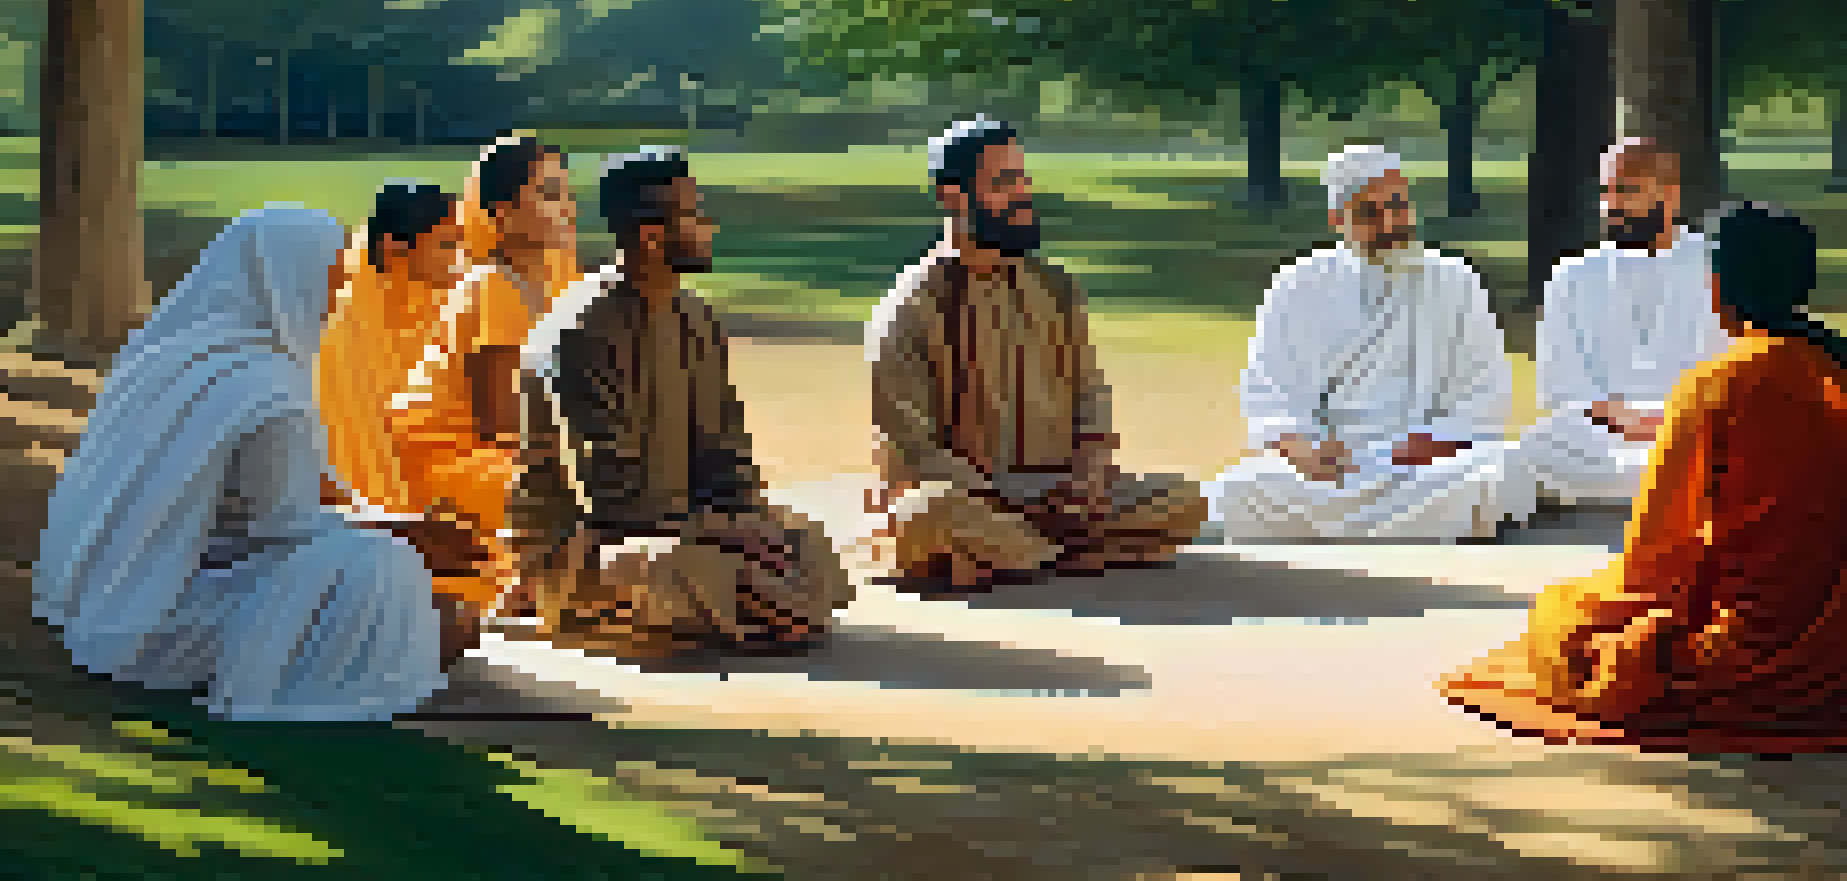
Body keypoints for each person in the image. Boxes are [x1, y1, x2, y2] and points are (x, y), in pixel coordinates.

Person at [1439, 203, 1847, 751]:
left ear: (1727, 284)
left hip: (1745, 653)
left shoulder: (1721, 383)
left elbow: (1657, 559)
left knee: (1562, 610)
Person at [34, 205, 478, 720]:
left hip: (89, 605)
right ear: (288, 279)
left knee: (401, 585)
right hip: (153, 631)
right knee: (388, 573)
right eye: (330, 281)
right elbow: (283, 528)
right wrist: (412, 538)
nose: (334, 302)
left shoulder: (160, 356)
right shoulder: (268, 391)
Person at [514, 149, 853, 655]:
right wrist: (721, 533)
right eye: (694, 215)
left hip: (687, 528)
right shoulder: (580, 331)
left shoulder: (695, 318)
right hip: (592, 543)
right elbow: (608, 496)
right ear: (650, 234)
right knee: (677, 565)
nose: (709, 225)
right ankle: (743, 606)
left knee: (806, 541)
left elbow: (726, 449)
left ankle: (754, 605)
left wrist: (748, 521)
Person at [866, 117, 1206, 589]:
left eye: (1023, 179)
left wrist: (1088, 474)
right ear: (953, 197)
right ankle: (1068, 551)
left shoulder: (1055, 288)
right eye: (1003, 183)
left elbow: (1091, 396)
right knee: (924, 514)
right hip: (974, 499)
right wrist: (1015, 502)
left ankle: (1025, 554)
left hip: (1059, 493)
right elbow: (913, 449)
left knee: (1188, 500)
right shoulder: (912, 307)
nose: (1022, 194)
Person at [1207, 144, 1527, 541]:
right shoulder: (1297, 283)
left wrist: (1437, 442)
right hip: (1333, 463)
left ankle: (1340, 527)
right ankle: (1405, 526)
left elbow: (1485, 393)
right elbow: (1269, 394)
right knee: (1242, 488)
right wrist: (1304, 449)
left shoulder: (1455, 279)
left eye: (1397, 207)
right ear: (1337, 220)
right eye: (1370, 213)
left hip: (1424, 462)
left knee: (1502, 470)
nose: (1391, 222)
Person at [386, 135, 582, 626]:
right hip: (452, 461)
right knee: (552, 492)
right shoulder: (493, 286)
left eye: (566, 192)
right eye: (548, 194)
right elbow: (497, 426)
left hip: (517, 450)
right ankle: (533, 583)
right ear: (501, 213)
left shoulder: (557, 282)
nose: (567, 208)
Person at [1489, 139, 1730, 508]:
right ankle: (1672, 483)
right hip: (1599, 437)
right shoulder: (1571, 274)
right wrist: (1623, 419)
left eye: (1627, 191)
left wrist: (1664, 422)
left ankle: (1668, 479)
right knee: (1530, 450)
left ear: (1670, 195)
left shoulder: (1720, 270)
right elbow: (1559, 386)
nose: (1611, 205)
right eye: (1606, 191)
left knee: (1730, 450)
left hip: (1692, 430)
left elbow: (1731, 376)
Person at [318, 182, 467, 511]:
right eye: (447, 246)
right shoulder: (344, 328)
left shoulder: (446, 300)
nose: (461, 263)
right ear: (394, 250)